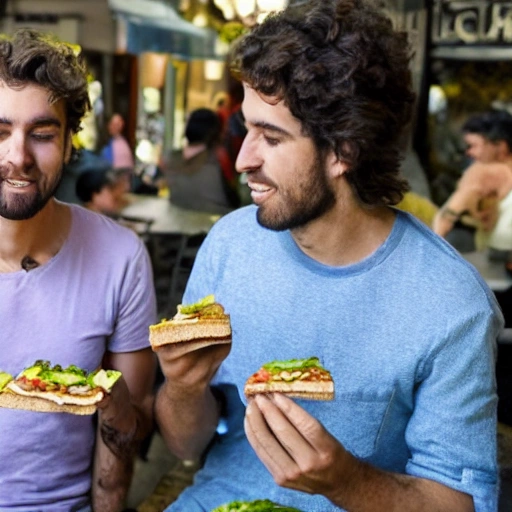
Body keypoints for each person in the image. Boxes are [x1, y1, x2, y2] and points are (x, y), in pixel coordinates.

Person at [154, 1, 502, 511]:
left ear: (344, 150)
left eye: (271, 137)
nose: (244, 158)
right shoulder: (228, 243)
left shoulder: (450, 302)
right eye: (247, 130)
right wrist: (184, 389)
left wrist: (347, 482)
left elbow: (461, 502)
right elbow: (186, 447)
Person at [0, 29, 157, 511]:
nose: (17, 157)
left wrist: (120, 409)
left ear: (70, 144)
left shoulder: (120, 259)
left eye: (42, 135)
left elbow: (131, 431)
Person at [433, 110, 512, 252]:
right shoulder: (481, 174)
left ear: (500, 146)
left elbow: (444, 220)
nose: (468, 152)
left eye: (473, 146)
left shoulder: (480, 173)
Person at [165, 108, 238, 215]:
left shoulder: (173, 158)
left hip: (177, 222)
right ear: (215, 131)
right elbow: (234, 199)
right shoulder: (218, 158)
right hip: (213, 225)